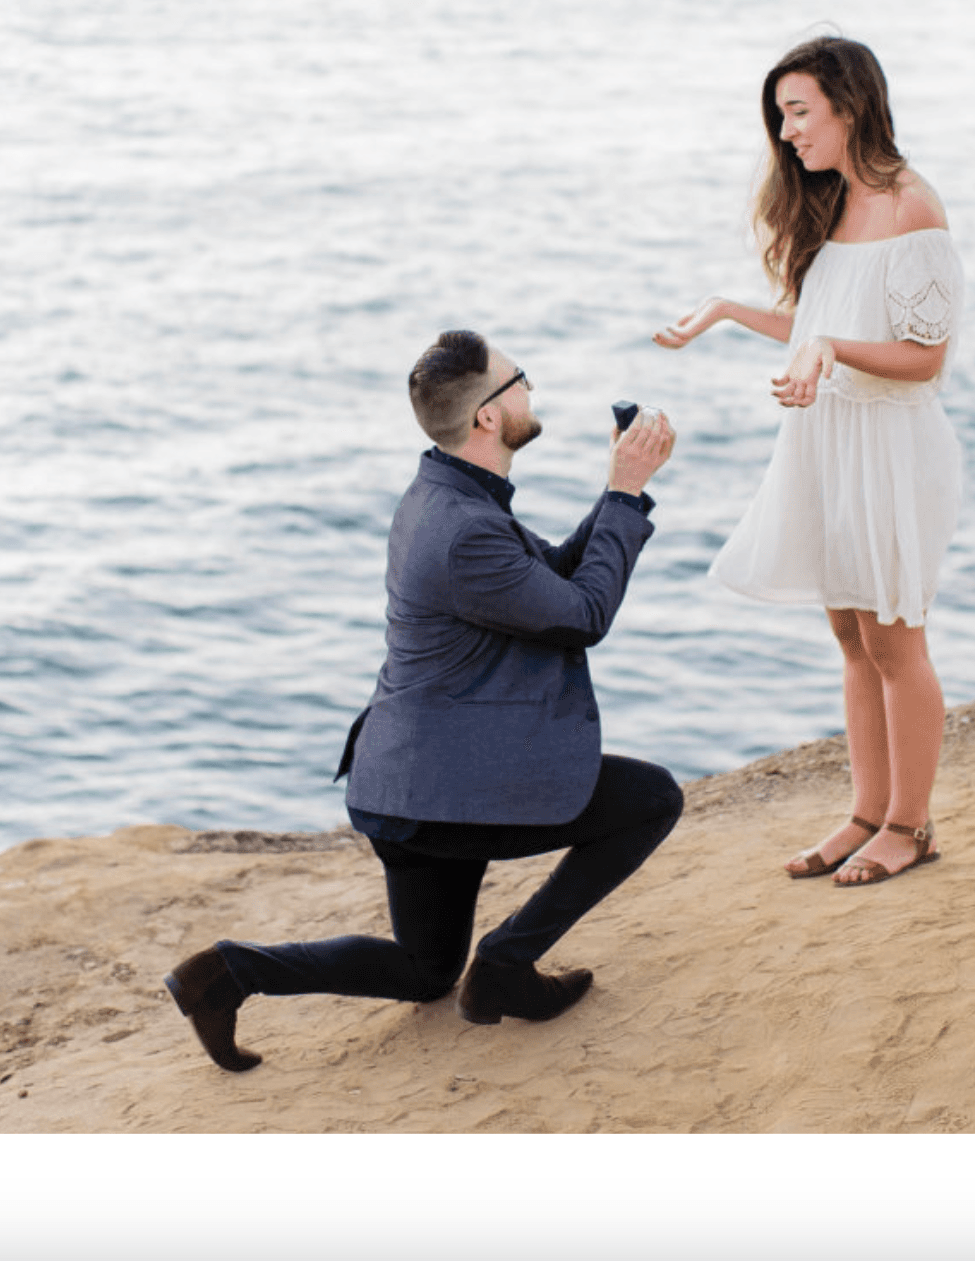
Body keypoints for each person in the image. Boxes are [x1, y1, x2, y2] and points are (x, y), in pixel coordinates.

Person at [163, 330, 684, 1073]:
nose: (531, 391)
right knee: (653, 798)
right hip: (441, 793)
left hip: (405, 783)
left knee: (426, 970)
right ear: (488, 419)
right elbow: (581, 615)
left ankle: (228, 973)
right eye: (521, 381)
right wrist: (628, 494)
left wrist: (616, 492)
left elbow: (555, 583)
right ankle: (505, 963)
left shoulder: (445, 494)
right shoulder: (465, 529)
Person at [654, 34, 964, 887]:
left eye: (798, 112)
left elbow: (922, 356)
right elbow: (816, 323)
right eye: (780, 116)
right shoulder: (830, 205)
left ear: (850, 106)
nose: (786, 133)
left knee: (896, 642)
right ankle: (868, 811)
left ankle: (910, 824)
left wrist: (829, 347)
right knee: (851, 636)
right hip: (828, 439)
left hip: (891, 446)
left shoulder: (912, 208)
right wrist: (725, 309)